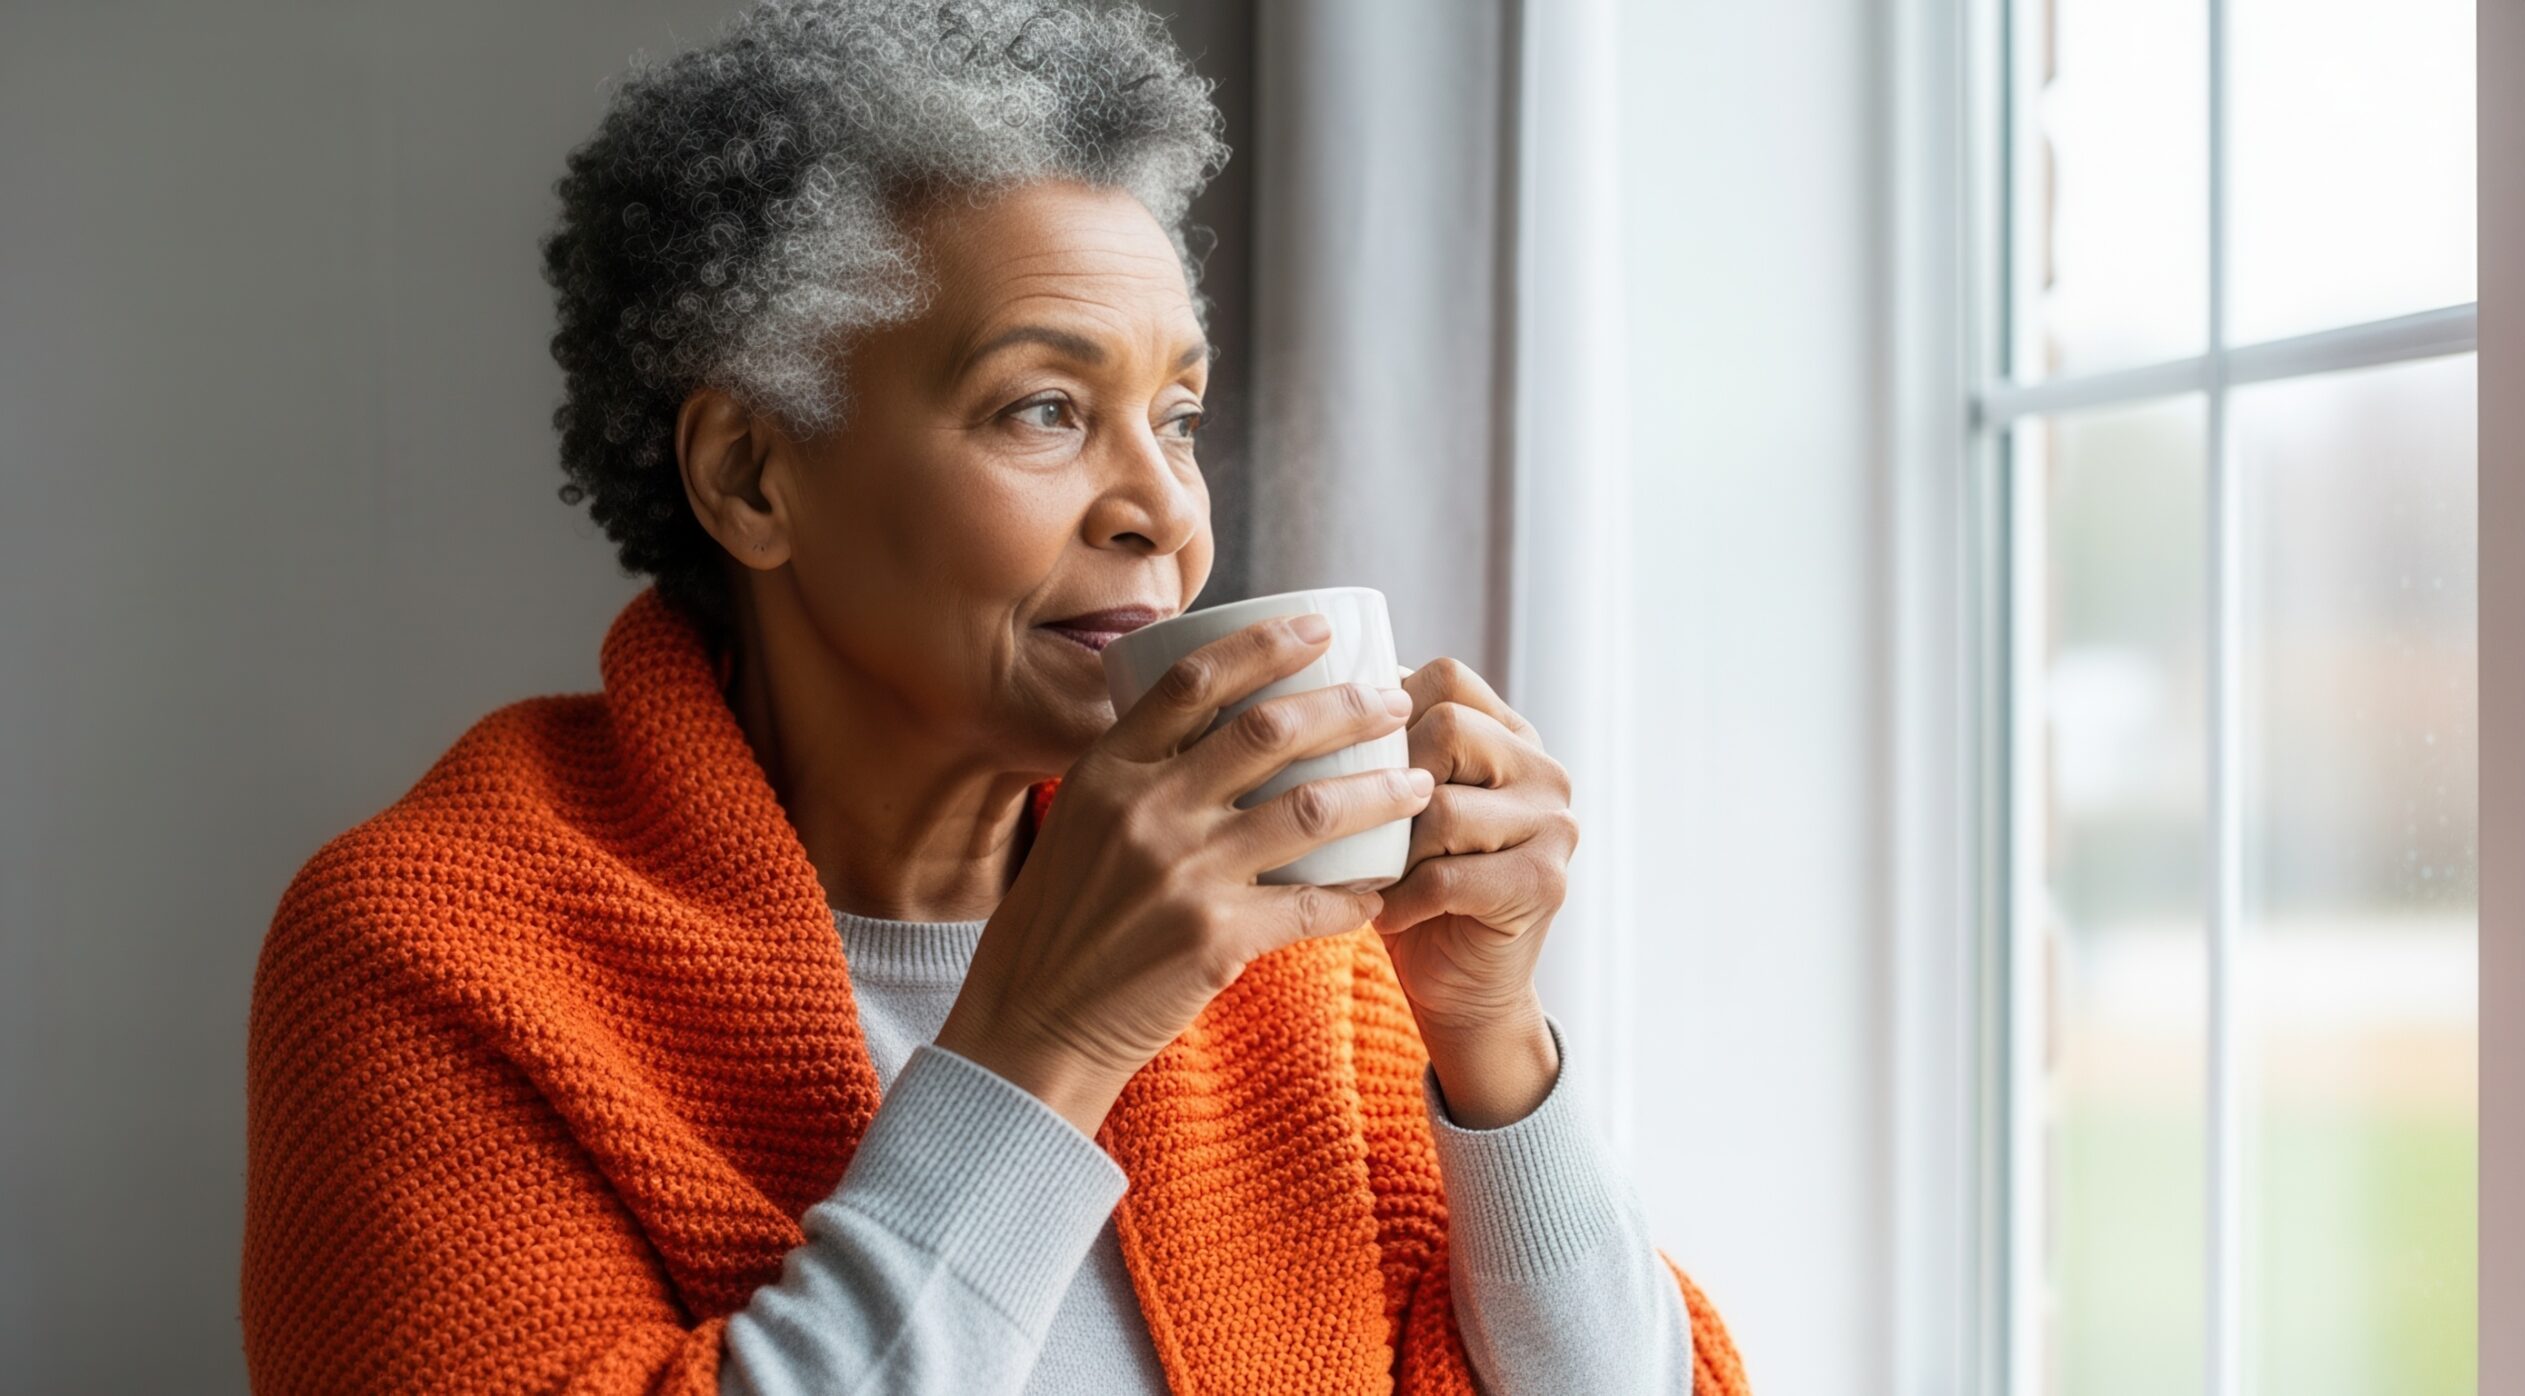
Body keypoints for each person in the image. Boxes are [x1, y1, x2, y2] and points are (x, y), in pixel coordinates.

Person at [239, 2, 1751, 1391]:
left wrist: (1492, 1045)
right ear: (749, 476)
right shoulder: (428, 957)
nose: (1163, 507)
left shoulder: (1283, 948)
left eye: (1176, 415)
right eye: (1044, 409)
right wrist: (1049, 1038)